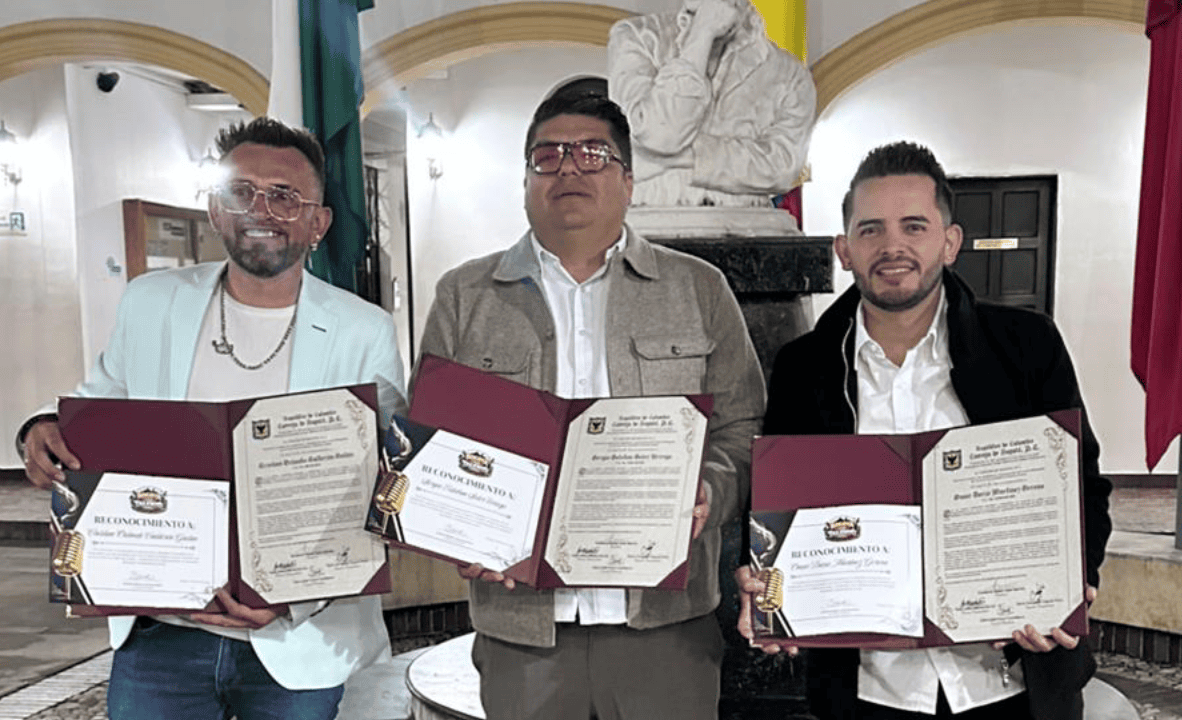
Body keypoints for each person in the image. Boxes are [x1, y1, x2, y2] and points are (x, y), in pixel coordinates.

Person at [18, 116, 405, 720]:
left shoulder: (364, 330)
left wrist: (291, 600)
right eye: (241, 191)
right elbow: (101, 398)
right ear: (216, 209)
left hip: (297, 639)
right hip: (161, 630)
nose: (262, 209)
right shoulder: (152, 303)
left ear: (318, 222)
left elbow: (383, 480)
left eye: (285, 196)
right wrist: (40, 425)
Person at [415, 91, 765, 719]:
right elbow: (432, 440)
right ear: (525, 182)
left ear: (629, 181)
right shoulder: (465, 296)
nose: (569, 167)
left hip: (664, 628)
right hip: (523, 633)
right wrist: (457, 530)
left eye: (593, 154)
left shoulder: (698, 291)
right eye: (547, 156)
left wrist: (711, 493)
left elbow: (742, 426)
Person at [737, 141, 1113, 719]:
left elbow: (1083, 490)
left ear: (950, 241)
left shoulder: (1027, 345)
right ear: (843, 249)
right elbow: (779, 509)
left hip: (1010, 682)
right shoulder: (803, 366)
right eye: (870, 230)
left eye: (914, 226)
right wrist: (772, 594)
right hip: (868, 691)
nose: (892, 247)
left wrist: (1067, 586)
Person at [607, 0, 815, 209]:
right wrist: (702, 34)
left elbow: (782, 169)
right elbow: (661, 134)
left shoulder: (790, 74)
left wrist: (688, 157)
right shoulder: (635, 37)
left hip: (748, 224)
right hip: (649, 220)